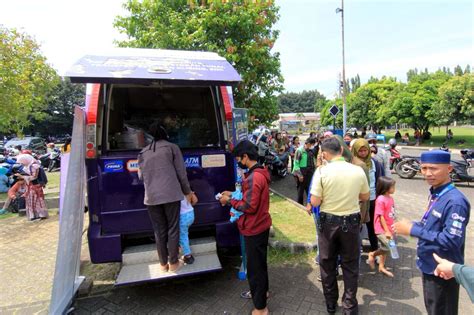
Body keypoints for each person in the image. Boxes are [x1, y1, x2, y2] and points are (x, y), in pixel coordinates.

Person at [394, 150, 470, 315]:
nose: (428, 173)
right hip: (429, 266)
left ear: (449, 169)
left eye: (434, 168)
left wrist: (413, 230)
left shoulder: (455, 201)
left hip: (443, 271)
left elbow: (451, 240)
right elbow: (433, 225)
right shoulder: (436, 192)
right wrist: (412, 225)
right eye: (424, 168)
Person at [310, 137, 370, 314]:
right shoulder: (357, 170)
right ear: (342, 151)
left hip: (328, 224)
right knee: (350, 265)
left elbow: (315, 201)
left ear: (325, 154)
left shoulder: (321, 172)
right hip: (351, 223)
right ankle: (350, 306)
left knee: (327, 264)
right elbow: (365, 196)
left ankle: (331, 304)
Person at [218, 140, 271, 315]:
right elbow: (250, 198)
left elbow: (249, 206)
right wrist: (233, 194)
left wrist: (228, 201)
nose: (238, 163)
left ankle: (261, 308)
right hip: (260, 225)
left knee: (255, 269)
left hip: (254, 228)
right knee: (259, 264)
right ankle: (262, 293)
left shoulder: (254, 177)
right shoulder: (260, 172)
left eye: (239, 159)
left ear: (245, 157)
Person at [138, 123, 193, 273]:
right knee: (173, 228)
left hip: (151, 198)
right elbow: (182, 174)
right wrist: (187, 191)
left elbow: (141, 176)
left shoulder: (143, 152)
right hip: (171, 195)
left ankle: (163, 265)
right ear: (165, 134)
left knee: (159, 230)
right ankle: (174, 263)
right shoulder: (172, 148)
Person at [368, 176, 397, 277]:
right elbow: (381, 217)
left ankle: (381, 266)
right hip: (381, 229)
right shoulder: (380, 199)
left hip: (389, 227)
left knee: (384, 247)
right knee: (388, 247)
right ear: (385, 187)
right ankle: (372, 254)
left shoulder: (390, 198)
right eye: (392, 187)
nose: (394, 188)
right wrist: (387, 231)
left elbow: (391, 213)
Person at [15, 154, 48, 221]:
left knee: (36, 200)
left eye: (22, 162)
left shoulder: (34, 166)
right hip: (30, 186)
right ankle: (34, 215)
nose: (21, 163)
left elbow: (34, 177)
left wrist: (22, 177)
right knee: (31, 200)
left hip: (35, 185)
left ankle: (39, 215)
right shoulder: (27, 167)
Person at [293, 137, 316, 205]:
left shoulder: (310, 151)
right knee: (300, 190)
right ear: (308, 144)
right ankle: (300, 205)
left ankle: (310, 204)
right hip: (301, 172)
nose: (312, 146)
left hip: (310, 172)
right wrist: (299, 175)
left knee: (309, 189)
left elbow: (313, 162)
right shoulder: (299, 150)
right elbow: (296, 164)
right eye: (312, 145)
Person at [179, 191, 198, 264]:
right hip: (190, 214)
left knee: (183, 236)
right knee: (184, 233)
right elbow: (195, 200)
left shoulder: (173, 191)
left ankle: (188, 256)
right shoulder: (187, 190)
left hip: (182, 217)